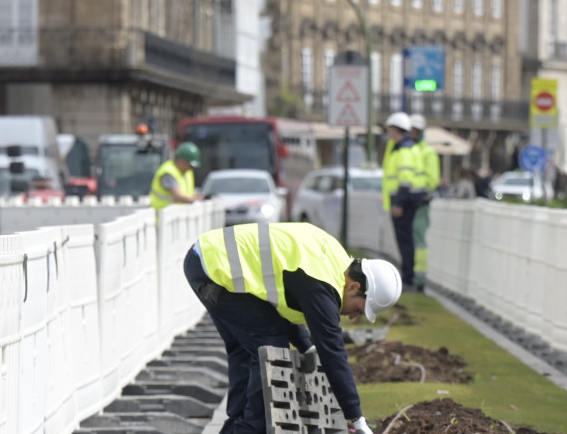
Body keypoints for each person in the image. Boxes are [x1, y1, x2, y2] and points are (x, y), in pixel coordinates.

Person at [183, 222, 402, 434]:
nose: (353, 317)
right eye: (359, 309)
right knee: (271, 353)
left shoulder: (334, 258)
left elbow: (279, 305)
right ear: (354, 286)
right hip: (217, 268)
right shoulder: (322, 287)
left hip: (207, 257)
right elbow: (333, 351)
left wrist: (306, 345)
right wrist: (356, 417)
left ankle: (236, 428)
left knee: (248, 350)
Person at [381, 112, 421, 291]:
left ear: (396, 130)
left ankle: (408, 277)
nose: (388, 133)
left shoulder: (404, 151)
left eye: (389, 129)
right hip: (402, 202)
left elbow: (405, 181)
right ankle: (407, 275)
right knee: (404, 240)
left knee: (405, 241)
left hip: (402, 203)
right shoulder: (401, 149)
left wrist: (398, 203)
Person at [409, 113, 439, 292]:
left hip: (421, 203)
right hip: (410, 202)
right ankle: (413, 275)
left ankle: (420, 278)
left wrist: (421, 194)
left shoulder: (427, 152)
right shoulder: (409, 150)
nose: (412, 134)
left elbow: (432, 179)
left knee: (419, 240)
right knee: (412, 241)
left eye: (414, 131)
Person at [149, 141, 203, 211]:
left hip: (179, 216)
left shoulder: (187, 173)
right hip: (165, 217)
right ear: (181, 161)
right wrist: (195, 200)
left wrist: (197, 197)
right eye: (189, 165)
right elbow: (177, 196)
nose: (191, 169)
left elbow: (188, 193)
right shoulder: (168, 172)